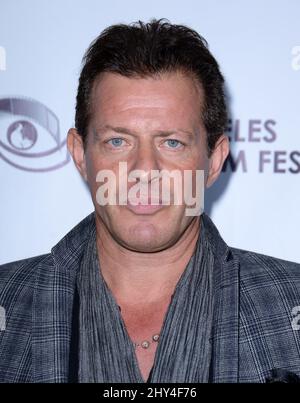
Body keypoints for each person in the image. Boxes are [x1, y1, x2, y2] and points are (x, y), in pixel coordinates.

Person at [0, 19, 300, 384]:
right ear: (80, 154)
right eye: (117, 141)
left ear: (215, 159)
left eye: (171, 142)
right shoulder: (7, 301)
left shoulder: (291, 305)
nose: (144, 170)